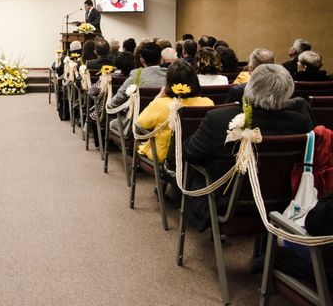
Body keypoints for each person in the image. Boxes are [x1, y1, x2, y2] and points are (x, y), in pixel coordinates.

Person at [181, 64, 312, 230]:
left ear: (250, 87)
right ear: (288, 90)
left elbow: (190, 153)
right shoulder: (299, 122)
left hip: (227, 202)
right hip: (283, 201)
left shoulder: (219, 118)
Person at [136, 61, 213, 162]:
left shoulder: (160, 104)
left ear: (169, 82)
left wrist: (157, 98)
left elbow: (141, 123)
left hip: (163, 156)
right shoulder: (208, 103)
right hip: (193, 156)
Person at [107, 41, 167, 110]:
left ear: (142, 60)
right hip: (167, 119)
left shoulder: (136, 75)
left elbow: (117, 99)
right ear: (161, 59)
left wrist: (108, 105)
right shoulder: (170, 75)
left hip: (138, 119)